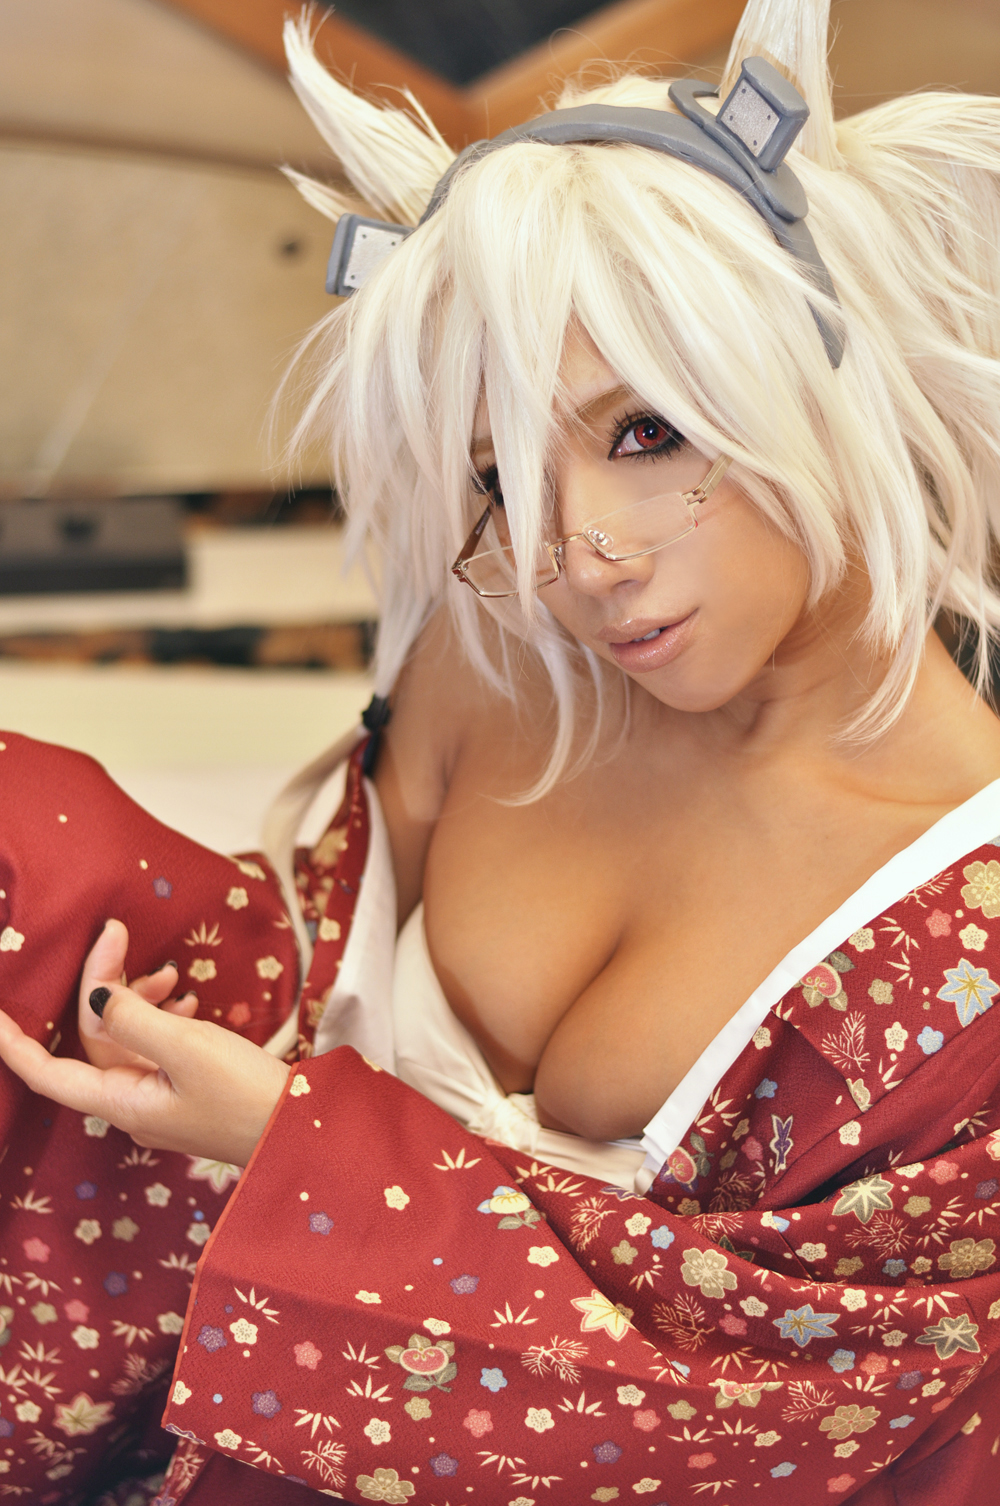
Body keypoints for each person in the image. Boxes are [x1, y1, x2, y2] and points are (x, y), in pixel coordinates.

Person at [2, 0, 1000, 1499]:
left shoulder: (967, 938)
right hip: (204, 1371)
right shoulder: (496, 660)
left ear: (814, 378)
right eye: (502, 476)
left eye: (647, 434)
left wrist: (297, 1150)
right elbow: (301, 962)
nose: (574, 556)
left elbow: (793, 1403)